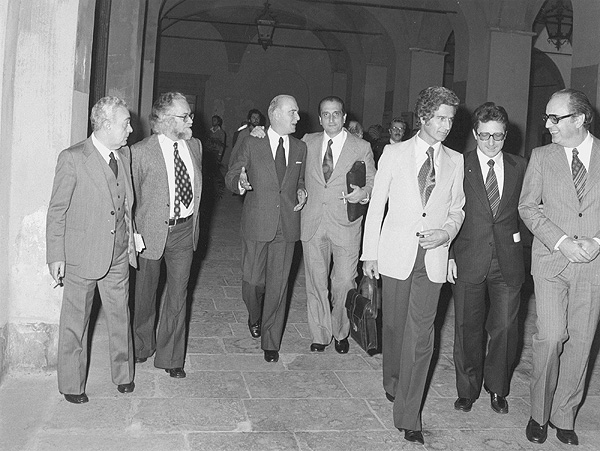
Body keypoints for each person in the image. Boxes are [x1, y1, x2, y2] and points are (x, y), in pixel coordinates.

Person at [361, 86, 465, 445]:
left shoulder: (455, 160)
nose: (446, 125)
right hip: (394, 253)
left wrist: (446, 233)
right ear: (422, 117)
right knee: (393, 327)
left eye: (450, 119)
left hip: (432, 258)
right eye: (440, 118)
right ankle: (393, 377)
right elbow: (377, 205)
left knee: (421, 337)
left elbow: (457, 208)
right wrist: (369, 254)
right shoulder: (393, 153)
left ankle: (409, 416)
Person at [519, 88, 600, 446]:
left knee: (581, 342)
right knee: (551, 337)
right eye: (547, 117)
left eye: (555, 118)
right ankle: (539, 413)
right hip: (552, 261)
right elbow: (527, 207)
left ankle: (563, 414)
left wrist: (596, 242)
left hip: (592, 265)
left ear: (579, 119)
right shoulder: (541, 156)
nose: (548, 124)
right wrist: (562, 241)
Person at [46, 96, 137, 403]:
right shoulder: (73, 158)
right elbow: (57, 210)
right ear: (106, 125)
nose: (130, 129)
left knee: (120, 316)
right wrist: (56, 255)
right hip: (81, 255)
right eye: (125, 123)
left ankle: (123, 375)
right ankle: (72, 384)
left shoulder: (124, 155)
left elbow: (125, 205)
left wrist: (130, 242)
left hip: (118, 253)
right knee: (76, 324)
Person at [447, 102, 527, 415]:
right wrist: (449, 254)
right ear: (474, 133)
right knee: (467, 328)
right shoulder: (459, 164)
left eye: (497, 136)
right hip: (468, 257)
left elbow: (527, 212)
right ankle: (467, 389)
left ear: (506, 134)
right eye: (484, 136)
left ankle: (497, 388)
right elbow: (447, 211)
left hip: (508, 260)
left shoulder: (520, 166)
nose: (491, 143)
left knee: (506, 329)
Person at [225, 95, 307, 363]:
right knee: (252, 282)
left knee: (278, 286)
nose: (297, 117)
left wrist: (302, 191)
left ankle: (271, 341)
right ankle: (255, 314)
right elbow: (232, 174)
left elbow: (299, 180)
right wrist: (240, 182)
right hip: (257, 222)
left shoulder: (300, 148)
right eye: (292, 112)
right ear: (275, 114)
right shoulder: (252, 141)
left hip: (287, 225)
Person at [131, 92, 203, 379]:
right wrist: (133, 233)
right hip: (150, 232)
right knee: (145, 293)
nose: (191, 120)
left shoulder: (195, 146)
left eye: (190, 115)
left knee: (178, 294)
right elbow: (130, 199)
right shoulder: (140, 152)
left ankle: (171, 356)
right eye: (184, 116)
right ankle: (141, 344)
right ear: (163, 119)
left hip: (184, 230)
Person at [301, 96, 376, 354]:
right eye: (326, 114)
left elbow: (372, 180)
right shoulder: (307, 142)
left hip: (346, 224)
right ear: (320, 118)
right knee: (316, 282)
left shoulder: (361, 146)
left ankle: (341, 330)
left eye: (336, 114)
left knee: (344, 281)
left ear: (344, 117)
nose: (331, 118)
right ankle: (320, 334)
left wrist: (364, 193)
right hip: (312, 222)